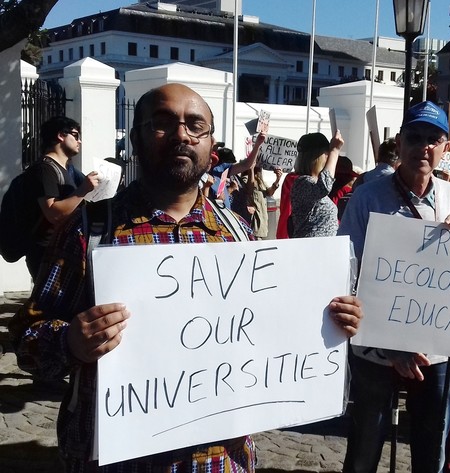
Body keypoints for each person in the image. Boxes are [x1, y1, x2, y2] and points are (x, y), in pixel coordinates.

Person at [9, 83, 363, 473]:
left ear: (211, 147)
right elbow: (28, 339)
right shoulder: (91, 229)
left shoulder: (237, 233)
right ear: (137, 138)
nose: (181, 134)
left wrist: (330, 320)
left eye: (196, 126)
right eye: (163, 123)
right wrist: (70, 340)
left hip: (221, 461)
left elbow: (268, 331)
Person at [339, 100, 450, 473]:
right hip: (376, 351)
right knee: (366, 441)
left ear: (445, 148)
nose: (424, 146)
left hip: (434, 351)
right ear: (399, 143)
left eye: (434, 139)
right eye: (415, 137)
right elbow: (346, 272)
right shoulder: (368, 198)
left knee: (432, 444)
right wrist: (388, 344)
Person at [25, 116, 100, 279]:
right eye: (75, 135)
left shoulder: (67, 170)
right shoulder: (45, 169)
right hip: (47, 252)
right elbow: (53, 213)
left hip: (63, 249)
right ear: (61, 135)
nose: (79, 141)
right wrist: (83, 189)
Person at [290, 131, 344, 238]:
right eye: (326, 154)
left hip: (322, 248)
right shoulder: (302, 182)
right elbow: (324, 186)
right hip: (312, 249)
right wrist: (334, 151)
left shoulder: (311, 182)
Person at [246, 166, 282, 239]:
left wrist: (277, 179)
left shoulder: (260, 180)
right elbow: (250, 187)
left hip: (262, 220)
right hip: (254, 221)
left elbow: (269, 192)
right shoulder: (246, 178)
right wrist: (251, 168)